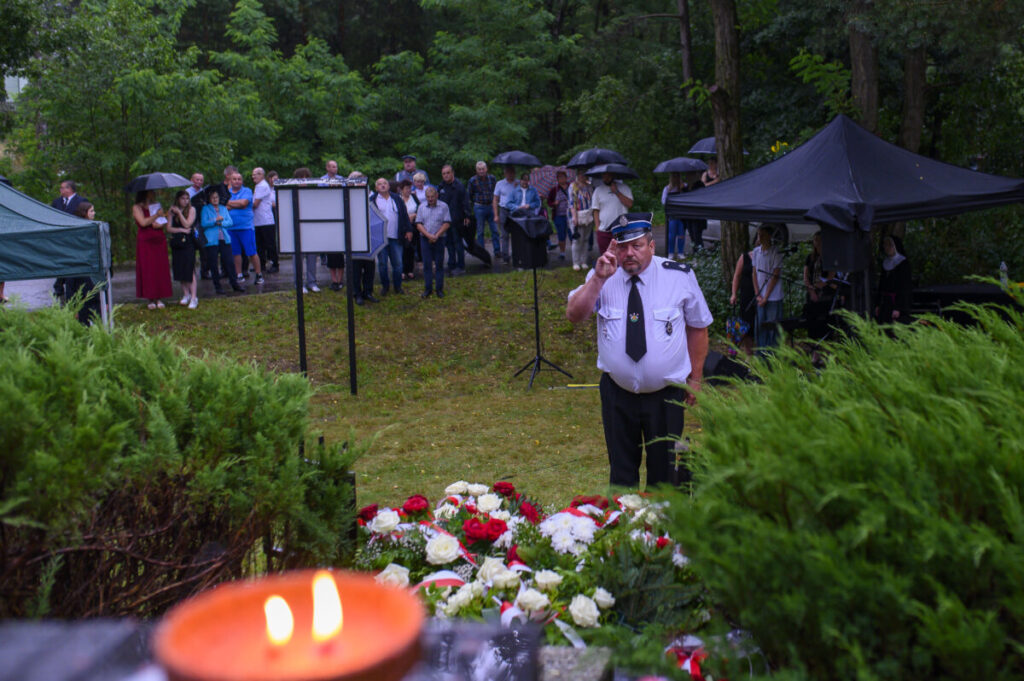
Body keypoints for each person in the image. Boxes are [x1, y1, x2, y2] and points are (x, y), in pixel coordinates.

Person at [566, 213, 712, 488]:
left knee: (664, 474)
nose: (629, 253)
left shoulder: (678, 277)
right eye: (622, 247)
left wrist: (696, 377)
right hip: (618, 395)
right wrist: (598, 279)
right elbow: (574, 315)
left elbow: (698, 327)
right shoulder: (601, 275)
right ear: (614, 248)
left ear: (651, 245)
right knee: (621, 476)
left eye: (637, 246)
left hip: (666, 396)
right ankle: (625, 528)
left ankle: (660, 530)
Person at [133, 190, 173, 309]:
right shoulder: (137, 207)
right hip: (146, 240)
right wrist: (156, 215)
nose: (154, 193)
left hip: (158, 239)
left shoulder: (156, 205)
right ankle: (150, 298)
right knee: (148, 268)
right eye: (151, 192)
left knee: (159, 267)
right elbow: (143, 222)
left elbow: (162, 222)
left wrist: (159, 222)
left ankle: (159, 297)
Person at [200, 188, 245, 294]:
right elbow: (203, 223)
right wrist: (214, 221)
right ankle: (217, 286)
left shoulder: (223, 208)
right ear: (209, 199)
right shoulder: (206, 209)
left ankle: (235, 284)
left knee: (229, 262)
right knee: (213, 264)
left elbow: (230, 222)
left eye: (216, 197)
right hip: (211, 240)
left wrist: (222, 223)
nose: (215, 199)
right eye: (213, 197)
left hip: (224, 239)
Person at [373, 177, 412, 295]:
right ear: (376, 188)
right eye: (380, 184)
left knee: (398, 264)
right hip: (381, 238)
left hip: (396, 236)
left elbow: (404, 215)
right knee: (383, 264)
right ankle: (385, 286)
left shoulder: (397, 199)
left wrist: (409, 230)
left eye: (385, 183)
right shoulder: (372, 200)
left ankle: (398, 286)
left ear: (389, 186)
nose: (383, 185)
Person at [226, 170, 264, 285]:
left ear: (242, 181)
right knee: (235, 253)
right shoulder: (227, 192)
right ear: (230, 181)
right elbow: (223, 206)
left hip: (246, 227)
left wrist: (230, 203)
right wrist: (233, 204)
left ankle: (258, 274)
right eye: (234, 179)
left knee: (251, 251)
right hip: (231, 228)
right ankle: (239, 274)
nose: (237, 181)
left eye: (239, 179)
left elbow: (244, 203)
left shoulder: (247, 191)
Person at [66, 202, 101, 324]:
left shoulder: (96, 227)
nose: (94, 213)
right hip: (79, 272)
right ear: (84, 213)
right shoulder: (76, 230)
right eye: (91, 211)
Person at [415, 186, 451, 298]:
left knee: (439, 264)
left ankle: (439, 289)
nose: (430, 199)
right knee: (427, 265)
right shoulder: (421, 207)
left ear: (437, 196)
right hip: (425, 238)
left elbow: (447, 223)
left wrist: (436, 235)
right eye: (428, 197)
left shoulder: (444, 206)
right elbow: (418, 224)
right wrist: (428, 235)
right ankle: (428, 289)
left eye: (432, 197)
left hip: (439, 238)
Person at [752, 224, 784, 349]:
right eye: (759, 234)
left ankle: (773, 354)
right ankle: (761, 353)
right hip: (760, 296)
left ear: (769, 236)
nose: (759, 237)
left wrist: (766, 297)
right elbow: (754, 273)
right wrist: (757, 294)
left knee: (772, 326)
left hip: (773, 297)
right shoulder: (756, 251)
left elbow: (775, 276)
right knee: (759, 325)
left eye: (763, 235)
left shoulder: (776, 252)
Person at [166, 190, 199, 309]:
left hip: (188, 243)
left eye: (187, 198)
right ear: (178, 199)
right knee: (179, 268)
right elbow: (169, 228)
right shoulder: (171, 211)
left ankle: (194, 297)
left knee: (189, 269)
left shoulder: (192, 210)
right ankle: (186, 294)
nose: (185, 201)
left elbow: (187, 224)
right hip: (177, 242)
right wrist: (180, 230)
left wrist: (179, 213)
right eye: (182, 198)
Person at [591, 171, 634, 255]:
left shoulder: (624, 187)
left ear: (613, 175)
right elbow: (596, 210)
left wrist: (616, 192)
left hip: (621, 228)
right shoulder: (598, 190)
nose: (606, 177)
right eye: (603, 175)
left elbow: (630, 204)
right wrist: (597, 228)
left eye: (608, 175)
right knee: (605, 256)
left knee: (621, 256)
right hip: (603, 230)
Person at [292, 167, 320, 293]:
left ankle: (312, 282)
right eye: (301, 178)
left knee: (312, 258)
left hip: (312, 230)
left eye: (306, 177)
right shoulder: (291, 193)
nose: (304, 180)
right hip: (297, 230)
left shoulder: (313, 192)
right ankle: (299, 284)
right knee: (298, 258)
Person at [803, 231, 836, 340]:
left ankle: (826, 349)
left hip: (826, 293)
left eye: (819, 240)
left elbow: (832, 276)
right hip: (812, 292)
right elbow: (806, 276)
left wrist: (821, 285)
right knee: (812, 321)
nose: (817, 242)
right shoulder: (810, 257)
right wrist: (811, 290)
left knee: (825, 322)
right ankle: (815, 351)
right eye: (815, 240)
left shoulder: (829, 257)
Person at [438, 164, 469, 275]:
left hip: (457, 220)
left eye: (448, 173)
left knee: (458, 243)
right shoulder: (441, 187)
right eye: (444, 173)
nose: (446, 175)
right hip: (445, 221)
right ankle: (451, 265)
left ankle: (461, 266)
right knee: (448, 244)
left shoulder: (459, 186)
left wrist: (466, 215)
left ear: (452, 173)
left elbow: (465, 202)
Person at [876, 235, 912, 324]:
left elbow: (905, 287)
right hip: (885, 303)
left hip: (896, 303)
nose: (886, 248)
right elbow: (881, 286)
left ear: (895, 246)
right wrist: (877, 304)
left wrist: (898, 308)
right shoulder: (885, 262)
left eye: (889, 245)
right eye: (885, 245)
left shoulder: (903, 263)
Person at [729, 239, 756, 355]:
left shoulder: (764, 258)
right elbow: (737, 275)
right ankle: (748, 352)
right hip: (746, 295)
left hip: (759, 295)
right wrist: (734, 293)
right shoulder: (744, 257)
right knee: (744, 324)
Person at [468, 161, 499, 256]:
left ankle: (497, 251)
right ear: (476, 170)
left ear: (486, 169)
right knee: (480, 231)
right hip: (479, 207)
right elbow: (469, 195)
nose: (481, 171)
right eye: (479, 169)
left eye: (483, 169)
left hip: (490, 206)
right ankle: (482, 253)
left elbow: (496, 193)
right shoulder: (472, 180)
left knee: (494, 230)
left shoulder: (492, 178)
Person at [252, 167, 278, 274]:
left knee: (270, 244)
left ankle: (275, 264)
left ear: (262, 175)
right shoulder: (258, 186)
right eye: (253, 174)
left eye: (257, 174)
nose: (254, 176)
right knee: (259, 244)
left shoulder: (262, 186)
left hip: (266, 220)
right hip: (258, 220)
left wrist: (241, 204)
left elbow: (255, 204)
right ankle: (261, 264)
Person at [492, 165, 518, 262]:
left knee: (516, 234)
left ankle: (517, 254)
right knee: (504, 234)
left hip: (515, 210)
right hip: (504, 210)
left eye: (512, 172)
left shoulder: (518, 183)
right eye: (508, 172)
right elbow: (495, 199)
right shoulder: (499, 184)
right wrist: (495, 214)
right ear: (505, 173)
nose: (510, 174)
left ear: (514, 173)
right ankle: (505, 256)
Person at [568, 172, 593, 271]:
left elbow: (592, 201)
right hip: (576, 215)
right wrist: (574, 217)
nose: (583, 177)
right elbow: (571, 202)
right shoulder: (573, 186)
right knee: (577, 239)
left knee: (586, 239)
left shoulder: (590, 186)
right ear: (578, 175)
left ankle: (584, 261)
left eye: (584, 174)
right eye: (581, 174)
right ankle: (576, 262)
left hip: (588, 216)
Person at [547, 170, 572, 262]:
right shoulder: (554, 190)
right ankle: (562, 253)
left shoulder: (572, 187)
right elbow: (549, 202)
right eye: (559, 177)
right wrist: (554, 203)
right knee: (561, 234)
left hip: (570, 215)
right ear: (557, 179)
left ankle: (575, 252)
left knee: (572, 234)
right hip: (559, 215)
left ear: (566, 178)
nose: (562, 179)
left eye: (563, 177)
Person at [661, 172, 686, 259]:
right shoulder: (667, 188)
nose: (676, 178)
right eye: (674, 177)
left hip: (682, 214)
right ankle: (670, 252)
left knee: (681, 234)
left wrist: (682, 189)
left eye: (677, 176)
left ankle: (680, 252)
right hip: (672, 214)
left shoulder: (684, 186)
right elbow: (663, 201)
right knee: (671, 235)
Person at [399, 179, 419, 281]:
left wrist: (414, 215)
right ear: (401, 189)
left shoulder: (414, 197)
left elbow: (420, 209)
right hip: (402, 228)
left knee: (411, 249)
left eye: (409, 188)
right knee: (403, 249)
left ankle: (410, 270)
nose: (408, 190)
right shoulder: (398, 199)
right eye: (406, 188)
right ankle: (402, 270)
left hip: (413, 227)